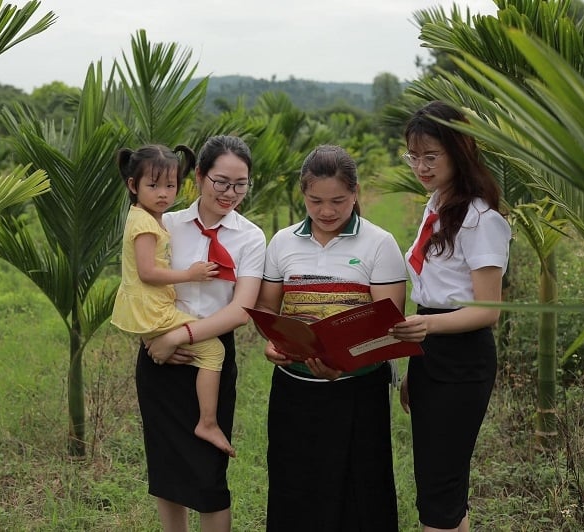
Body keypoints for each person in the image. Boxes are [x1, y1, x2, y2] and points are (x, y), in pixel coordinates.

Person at [255, 144, 407, 531]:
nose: (326, 211)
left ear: (355, 194)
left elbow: (386, 326)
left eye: (338, 200)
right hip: (295, 388)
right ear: (302, 194)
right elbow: (269, 311)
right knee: (295, 488)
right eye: (315, 200)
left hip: (358, 389)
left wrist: (342, 364)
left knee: (362, 491)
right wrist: (274, 344)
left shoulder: (379, 243)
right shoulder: (283, 242)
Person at [390, 101, 512, 532]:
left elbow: (487, 309)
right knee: (441, 489)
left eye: (430, 156)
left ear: (458, 152)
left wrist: (426, 328)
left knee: (440, 490)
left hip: (461, 358)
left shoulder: (480, 219)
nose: (420, 166)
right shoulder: (437, 204)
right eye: (413, 156)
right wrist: (415, 363)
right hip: (431, 350)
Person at [136, 135, 266, 531]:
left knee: (210, 475)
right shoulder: (166, 224)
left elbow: (242, 309)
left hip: (210, 355)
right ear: (198, 176)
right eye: (221, 181)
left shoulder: (251, 236)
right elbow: (141, 285)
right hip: (158, 353)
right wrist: (152, 340)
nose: (230, 193)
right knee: (167, 473)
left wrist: (180, 337)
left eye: (240, 184)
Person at [111, 143, 235, 457]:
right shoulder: (145, 224)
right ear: (132, 185)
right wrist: (190, 275)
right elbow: (148, 272)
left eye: (171, 185)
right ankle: (207, 421)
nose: (164, 193)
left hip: (154, 309)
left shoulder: (149, 218)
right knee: (214, 350)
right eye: (153, 186)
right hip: (154, 309)